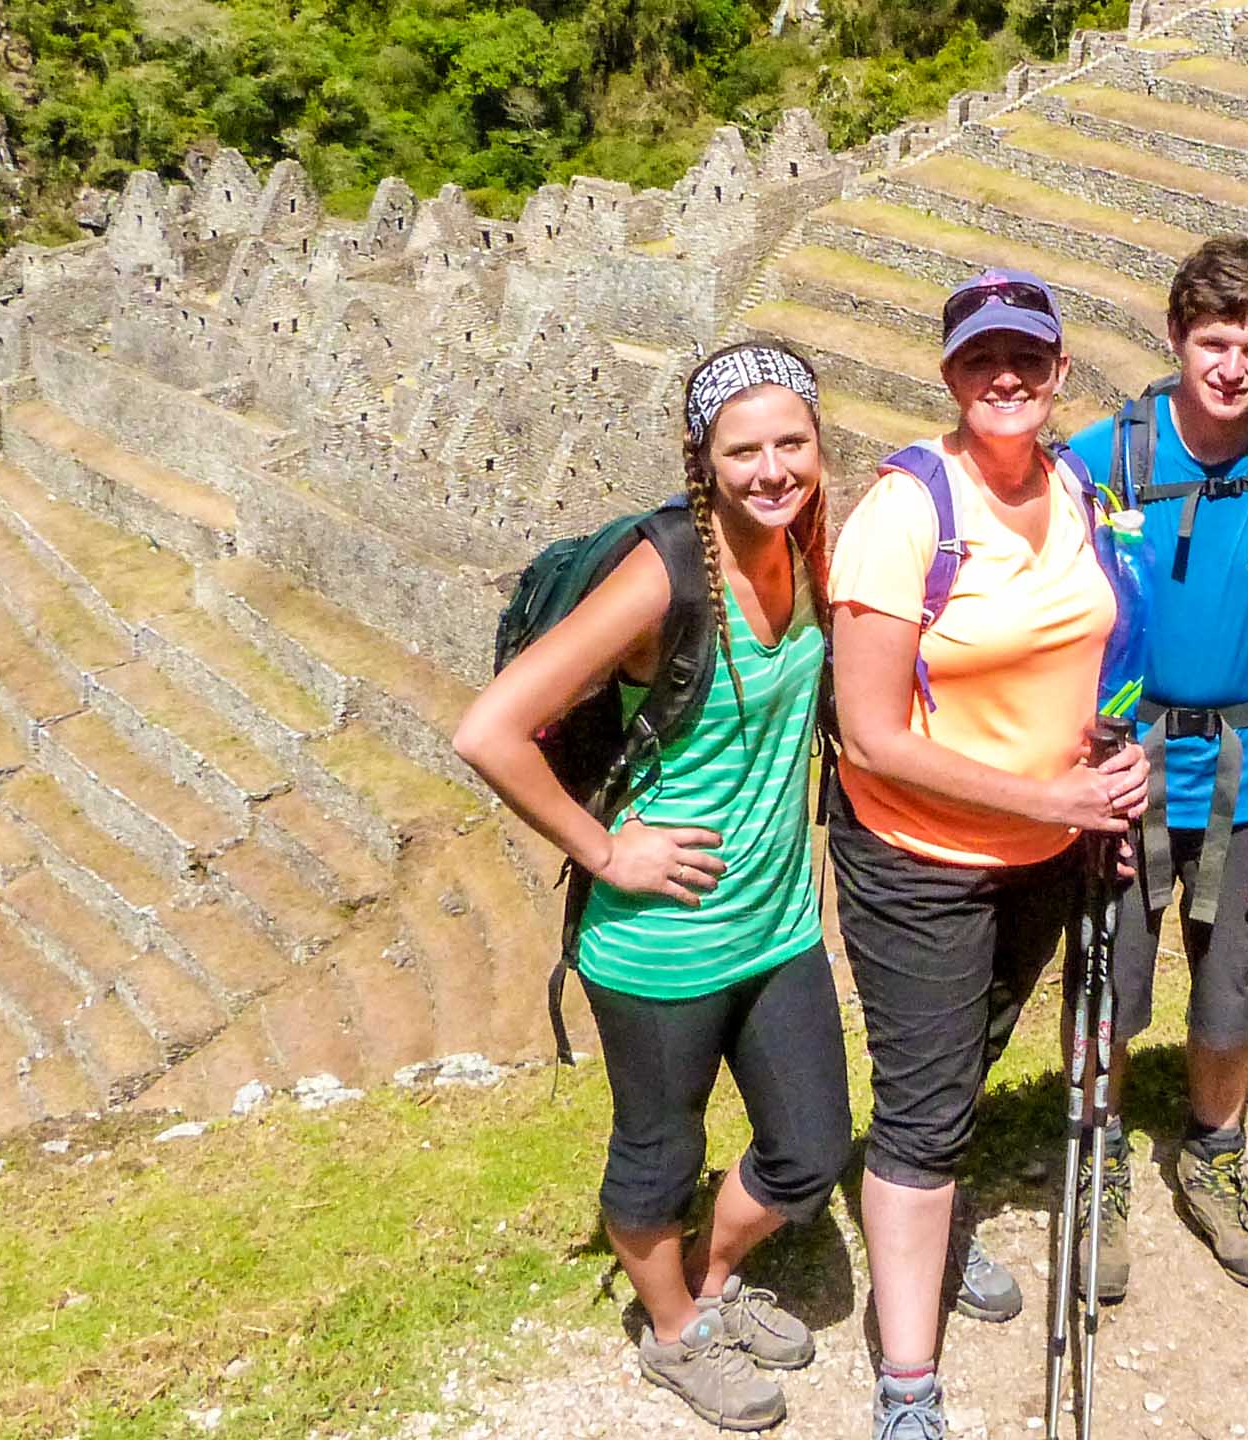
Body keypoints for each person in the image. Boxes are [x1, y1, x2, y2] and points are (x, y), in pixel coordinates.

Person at [453, 343, 849, 1433]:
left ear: (819, 442)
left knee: (809, 1150)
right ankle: (674, 1331)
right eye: (744, 451)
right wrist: (606, 848)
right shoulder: (664, 570)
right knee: (657, 1155)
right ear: (704, 460)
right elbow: (487, 731)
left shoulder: (811, 548)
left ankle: (713, 1282)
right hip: (659, 942)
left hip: (775, 925)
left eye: (791, 443)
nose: (772, 469)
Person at [826, 269, 1150, 1440]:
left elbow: (1095, 652)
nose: (1003, 378)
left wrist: (1109, 767)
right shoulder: (906, 515)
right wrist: (1048, 793)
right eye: (979, 361)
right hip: (920, 855)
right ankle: (907, 1380)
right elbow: (870, 733)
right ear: (948, 374)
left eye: (1026, 359)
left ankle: (931, 1226)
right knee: (922, 1104)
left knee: (962, 1064)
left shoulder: (1076, 488)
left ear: (1060, 373)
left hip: (1047, 850)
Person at [1060, 238, 1248, 1293]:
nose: (1231, 366)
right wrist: (1077, 779)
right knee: (1109, 988)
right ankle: (1098, 1155)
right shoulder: (1101, 458)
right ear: (1174, 335)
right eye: (1213, 340)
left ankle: (1212, 1154)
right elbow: (1057, 624)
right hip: (1124, 777)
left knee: (1234, 990)